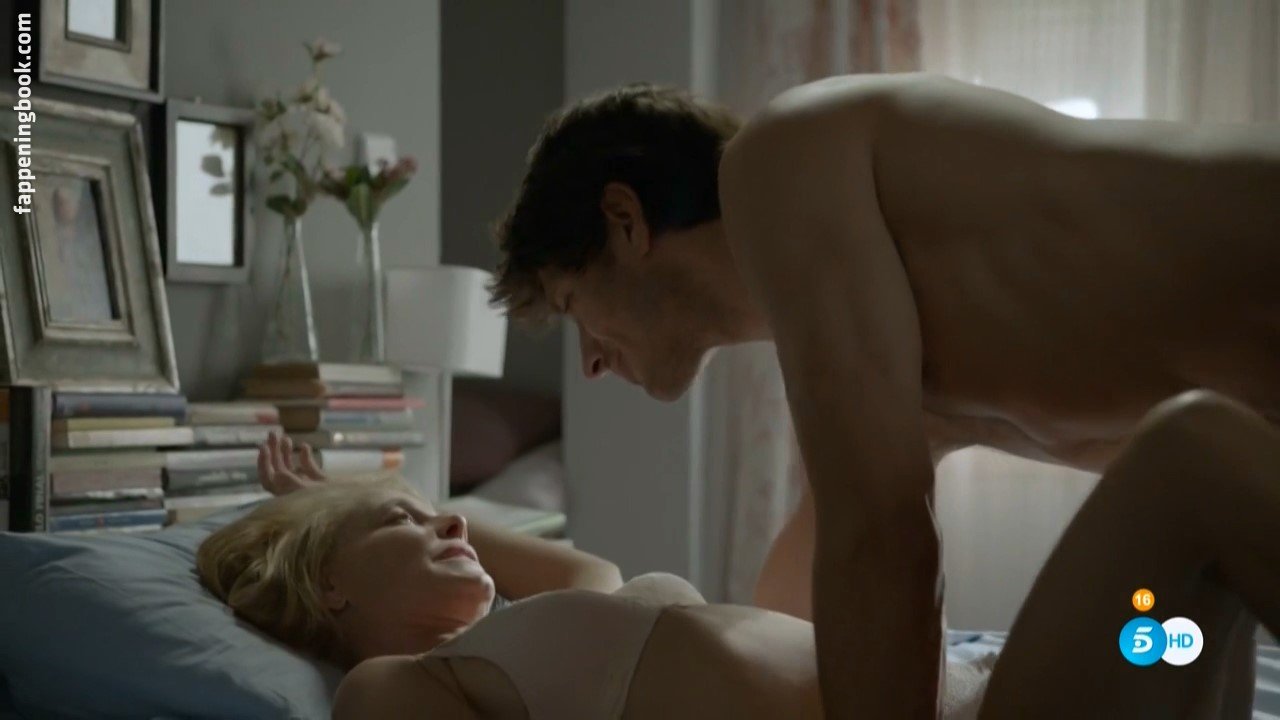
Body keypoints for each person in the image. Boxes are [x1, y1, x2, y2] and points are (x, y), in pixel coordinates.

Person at [488, 75, 1280, 717]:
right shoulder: (882, 354)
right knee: (1185, 562)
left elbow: (881, 538)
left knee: (1192, 453)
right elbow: (819, 599)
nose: (590, 363)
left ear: (624, 220)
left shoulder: (779, 159)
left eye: (571, 306)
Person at [201, 414, 1279, 719]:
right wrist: (316, 514)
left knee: (1190, 607)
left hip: (985, 684)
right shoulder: (387, 684)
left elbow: (589, 566)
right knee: (1191, 451)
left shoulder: (536, 635)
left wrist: (362, 505)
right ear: (329, 583)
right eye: (403, 520)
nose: (451, 520)